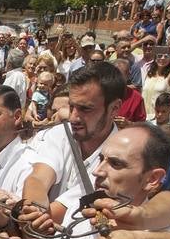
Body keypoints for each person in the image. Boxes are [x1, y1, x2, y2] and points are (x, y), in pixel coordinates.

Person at [21, 62, 124, 211]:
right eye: (71, 106)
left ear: (114, 108)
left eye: (85, 109)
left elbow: (66, 210)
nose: (74, 117)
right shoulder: (60, 133)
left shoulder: (123, 158)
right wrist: (33, 208)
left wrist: (36, 218)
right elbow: (38, 178)